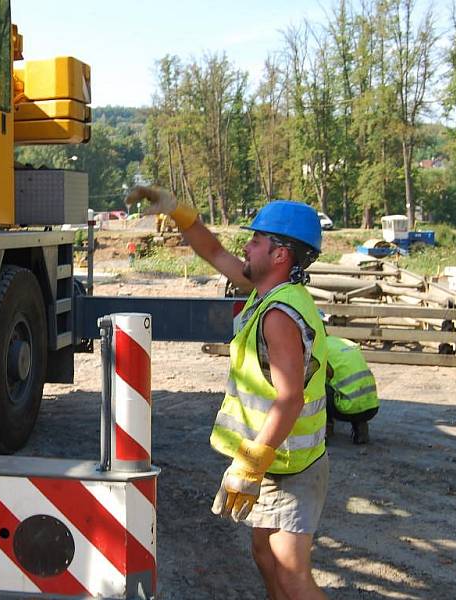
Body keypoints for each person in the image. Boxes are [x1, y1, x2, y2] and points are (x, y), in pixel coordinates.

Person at [126, 186, 329, 600]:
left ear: (280, 255)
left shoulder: (278, 315)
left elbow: (289, 398)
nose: (246, 246)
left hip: (287, 464)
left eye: (256, 240)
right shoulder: (266, 291)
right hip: (276, 458)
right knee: (264, 554)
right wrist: (180, 213)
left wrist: (252, 464)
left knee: (291, 573)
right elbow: (215, 253)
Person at [325, 335, 379, 444]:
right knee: (349, 388)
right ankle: (360, 427)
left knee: (317, 386)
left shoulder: (320, 348)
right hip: (372, 407)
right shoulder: (343, 342)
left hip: (347, 409)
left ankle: (325, 429)